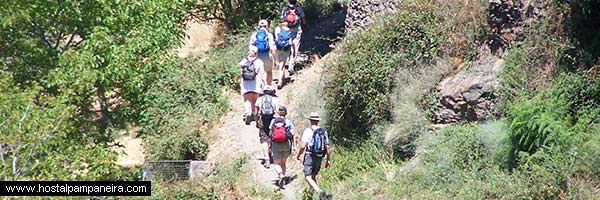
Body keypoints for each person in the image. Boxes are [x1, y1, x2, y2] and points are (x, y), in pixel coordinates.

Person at [296, 112, 331, 199]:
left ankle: (320, 192)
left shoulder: (308, 131)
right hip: (319, 156)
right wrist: (328, 160)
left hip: (310, 155)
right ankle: (310, 196)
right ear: (318, 121)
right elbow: (327, 147)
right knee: (313, 176)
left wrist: (298, 155)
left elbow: (303, 146)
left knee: (307, 177)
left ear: (310, 120)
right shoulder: (323, 131)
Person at [268, 106, 295, 187]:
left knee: (276, 163)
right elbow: (292, 134)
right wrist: (293, 146)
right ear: (286, 113)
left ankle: (280, 175)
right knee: (283, 162)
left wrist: (270, 145)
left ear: (278, 113)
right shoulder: (288, 122)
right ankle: (282, 180)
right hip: (286, 144)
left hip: (276, 144)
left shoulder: (273, 121)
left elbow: (270, 134)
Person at [239, 46, 264, 125]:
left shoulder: (243, 61)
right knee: (254, 100)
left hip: (245, 82)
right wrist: (264, 83)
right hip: (255, 83)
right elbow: (262, 73)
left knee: (246, 99)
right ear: (256, 53)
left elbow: (240, 72)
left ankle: (247, 111)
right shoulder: (259, 61)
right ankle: (254, 114)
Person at [255, 85, 278, 168]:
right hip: (272, 120)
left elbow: (256, 112)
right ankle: (272, 154)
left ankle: (267, 158)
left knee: (264, 140)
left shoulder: (259, 99)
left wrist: (257, 121)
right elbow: (277, 112)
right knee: (272, 137)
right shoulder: (275, 99)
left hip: (262, 120)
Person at [249, 19, 276, 86]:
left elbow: (250, 47)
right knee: (269, 71)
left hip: (257, 56)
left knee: (261, 72)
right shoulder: (269, 35)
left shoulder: (254, 35)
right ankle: (269, 86)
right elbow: (272, 48)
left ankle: (263, 85)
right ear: (267, 26)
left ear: (259, 26)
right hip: (267, 55)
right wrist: (275, 60)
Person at [280, 0, 306, 67]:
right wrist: (304, 25)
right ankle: (291, 64)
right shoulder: (299, 8)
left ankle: (287, 60)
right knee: (295, 46)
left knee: (288, 44)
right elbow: (303, 19)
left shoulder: (285, 8)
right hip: (296, 29)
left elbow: (282, 19)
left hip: (287, 29)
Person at [273, 19, 295, 89]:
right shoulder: (290, 31)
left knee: (280, 65)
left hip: (277, 48)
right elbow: (291, 42)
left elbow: (275, 39)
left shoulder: (277, 29)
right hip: (286, 49)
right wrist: (293, 50)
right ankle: (280, 81)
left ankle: (281, 78)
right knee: (282, 65)